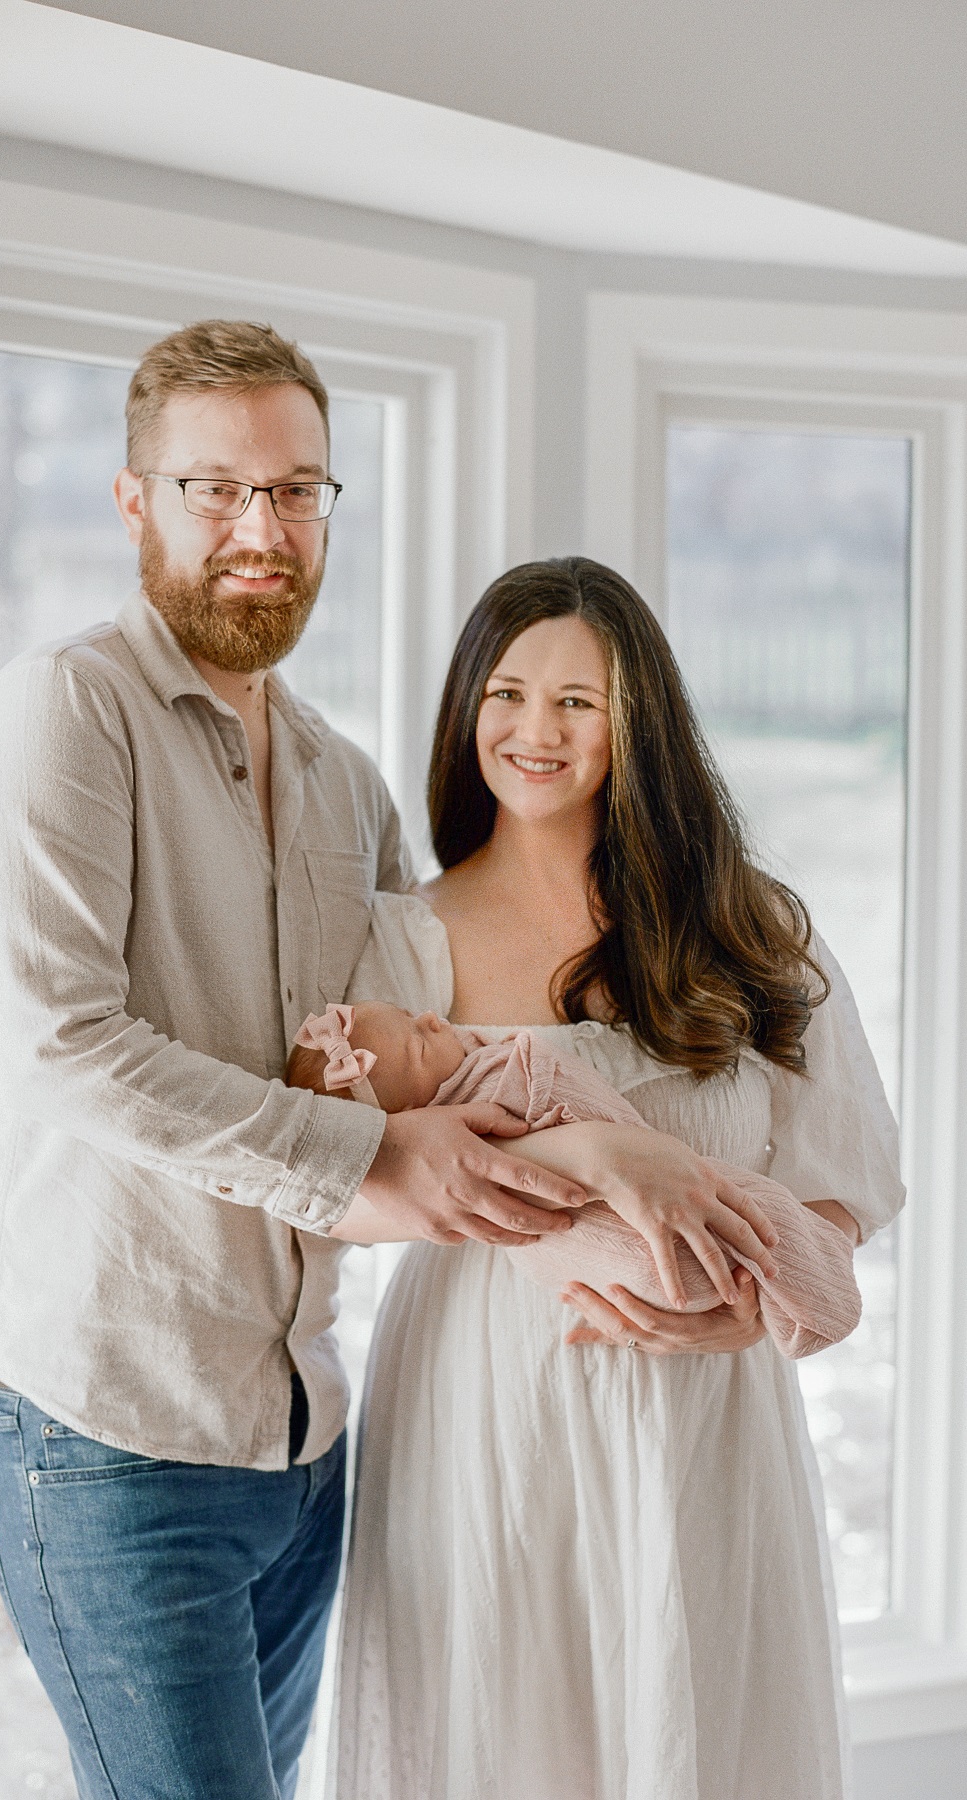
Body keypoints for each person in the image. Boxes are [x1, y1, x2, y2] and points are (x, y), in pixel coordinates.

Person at [0, 321, 736, 1799]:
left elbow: (404, 1077)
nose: (260, 530)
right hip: (105, 1420)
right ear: (133, 502)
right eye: (214, 490)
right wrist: (370, 1155)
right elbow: (61, 1048)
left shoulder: (341, 784)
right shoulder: (59, 716)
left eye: (296, 491)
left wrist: (612, 1175)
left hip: (301, 1439)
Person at [329, 559, 904, 1799]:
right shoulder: (400, 938)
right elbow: (343, 1184)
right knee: (505, 1730)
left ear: (639, 723)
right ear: (465, 708)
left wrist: (747, 1302)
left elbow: (840, 1181)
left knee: (701, 1725)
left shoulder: (756, 931)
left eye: (578, 702)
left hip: (711, 1413)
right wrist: (591, 1154)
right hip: (487, 1405)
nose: (536, 731)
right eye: (509, 691)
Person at [285, 998, 860, 1356]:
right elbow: (317, 1190)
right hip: (491, 1351)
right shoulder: (396, 923)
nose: (434, 1018)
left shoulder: (752, 918)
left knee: (748, 1211)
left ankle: (806, 1293)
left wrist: (752, 1319)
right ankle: (809, 1293)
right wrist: (583, 1152)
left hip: (714, 1365)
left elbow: (850, 1167)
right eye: (418, 1039)